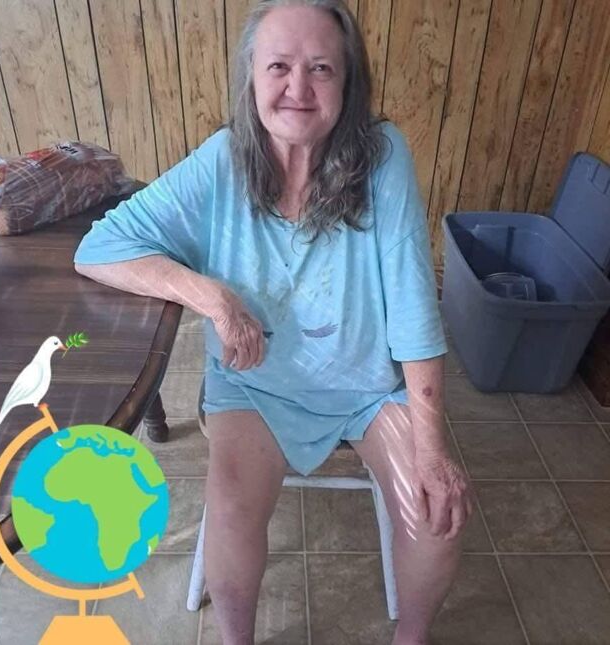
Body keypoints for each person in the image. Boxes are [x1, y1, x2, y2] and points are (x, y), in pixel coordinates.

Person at [74, 1, 473, 643]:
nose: (298, 88)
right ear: (251, 79)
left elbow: (413, 305)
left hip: (369, 386)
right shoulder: (223, 160)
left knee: (437, 515)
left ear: (348, 83)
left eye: (321, 68)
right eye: (279, 66)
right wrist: (212, 296)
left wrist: (432, 449)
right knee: (231, 512)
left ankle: (412, 638)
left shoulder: (383, 157)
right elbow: (98, 249)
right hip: (255, 385)